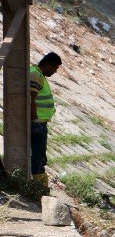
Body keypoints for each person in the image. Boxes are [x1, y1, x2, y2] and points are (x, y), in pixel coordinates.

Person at [29, 52, 62, 189]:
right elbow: (31, 99)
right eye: (54, 68)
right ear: (48, 64)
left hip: (40, 123)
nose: (54, 72)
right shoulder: (35, 74)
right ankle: (39, 189)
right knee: (38, 156)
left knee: (39, 155)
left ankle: (39, 185)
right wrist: (35, 119)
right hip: (37, 123)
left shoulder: (38, 74)